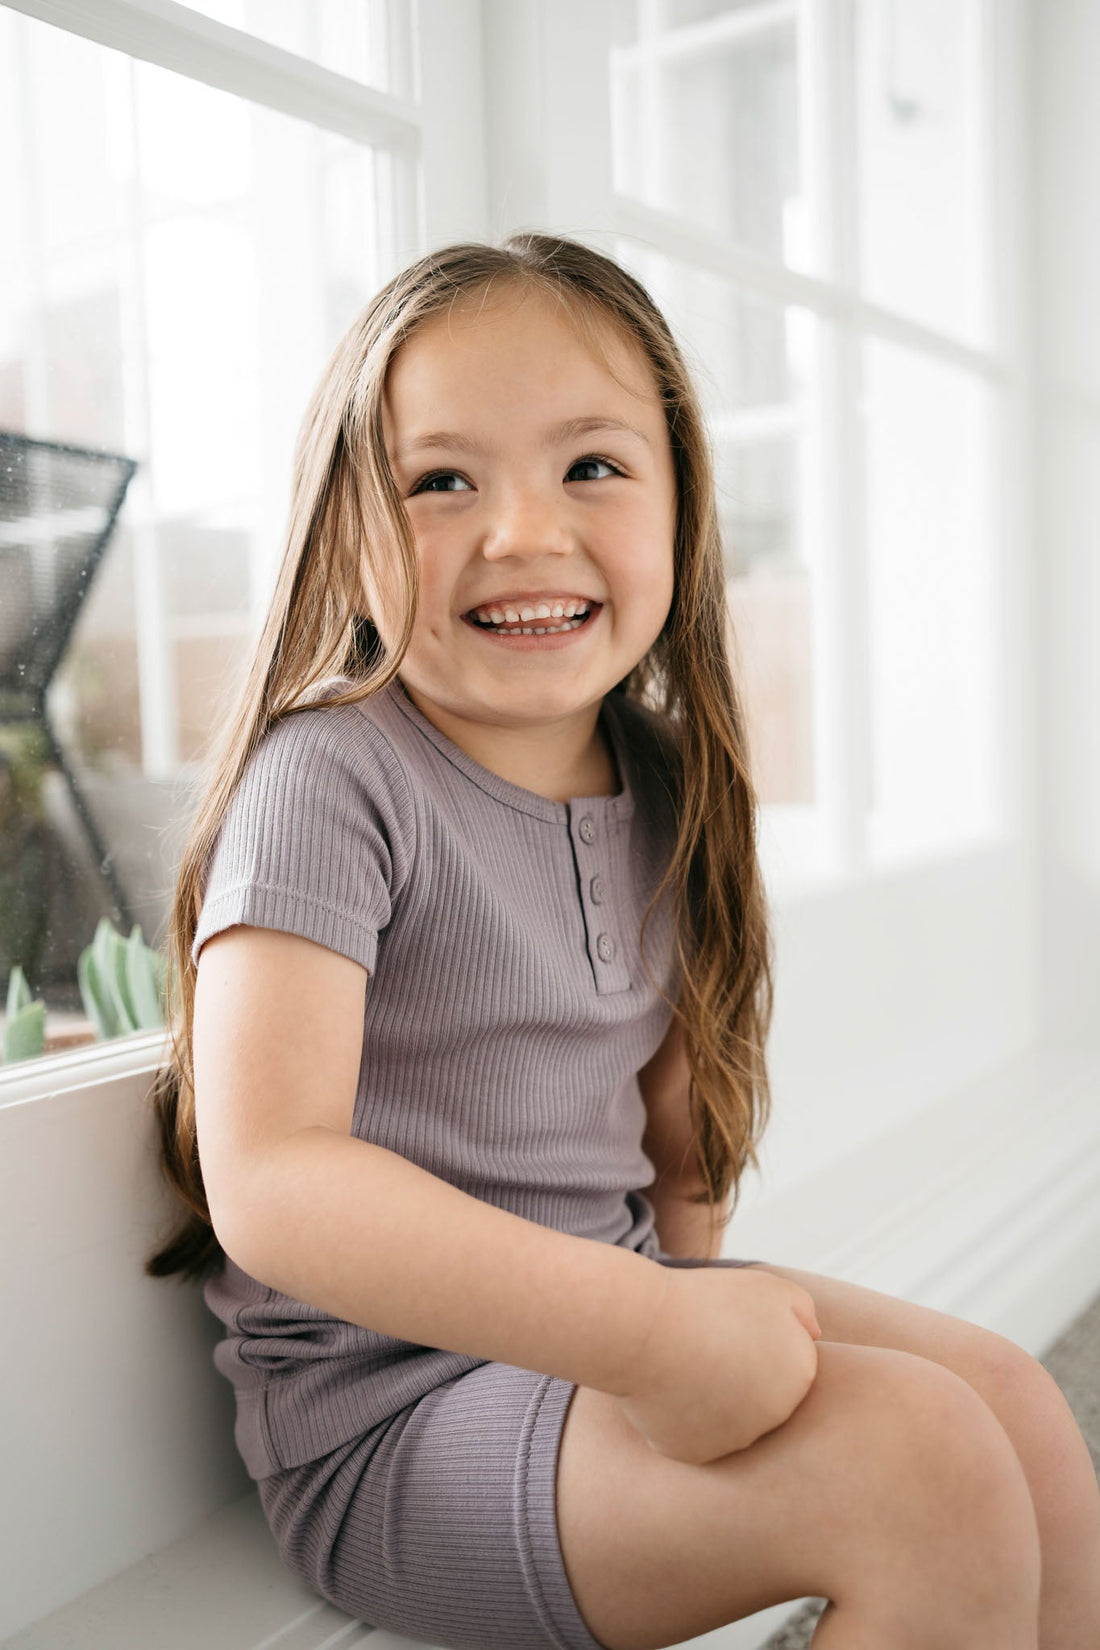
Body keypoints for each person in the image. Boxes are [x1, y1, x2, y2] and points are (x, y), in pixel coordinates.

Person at [146, 234, 1099, 1650]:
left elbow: (675, 1128)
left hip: (606, 1331)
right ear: (344, 531)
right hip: (391, 1424)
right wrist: (654, 1337)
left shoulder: (662, 785)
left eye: (591, 465)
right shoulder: (330, 780)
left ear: (682, 506)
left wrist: (694, 1302)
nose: (523, 529)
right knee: (923, 1471)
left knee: (1013, 1404)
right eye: (440, 479)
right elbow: (273, 1177)